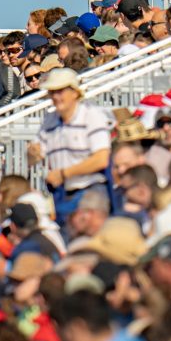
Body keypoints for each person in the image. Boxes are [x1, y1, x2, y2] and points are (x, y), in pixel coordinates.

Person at [32, 68, 111, 224]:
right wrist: (32, 153)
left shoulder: (91, 115)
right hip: (63, 192)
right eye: (52, 92)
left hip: (90, 189)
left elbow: (101, 159)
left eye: (60, 91)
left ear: (75, 92)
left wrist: (63, 173)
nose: (55, 96)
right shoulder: (50, 120)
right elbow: (34, 157)